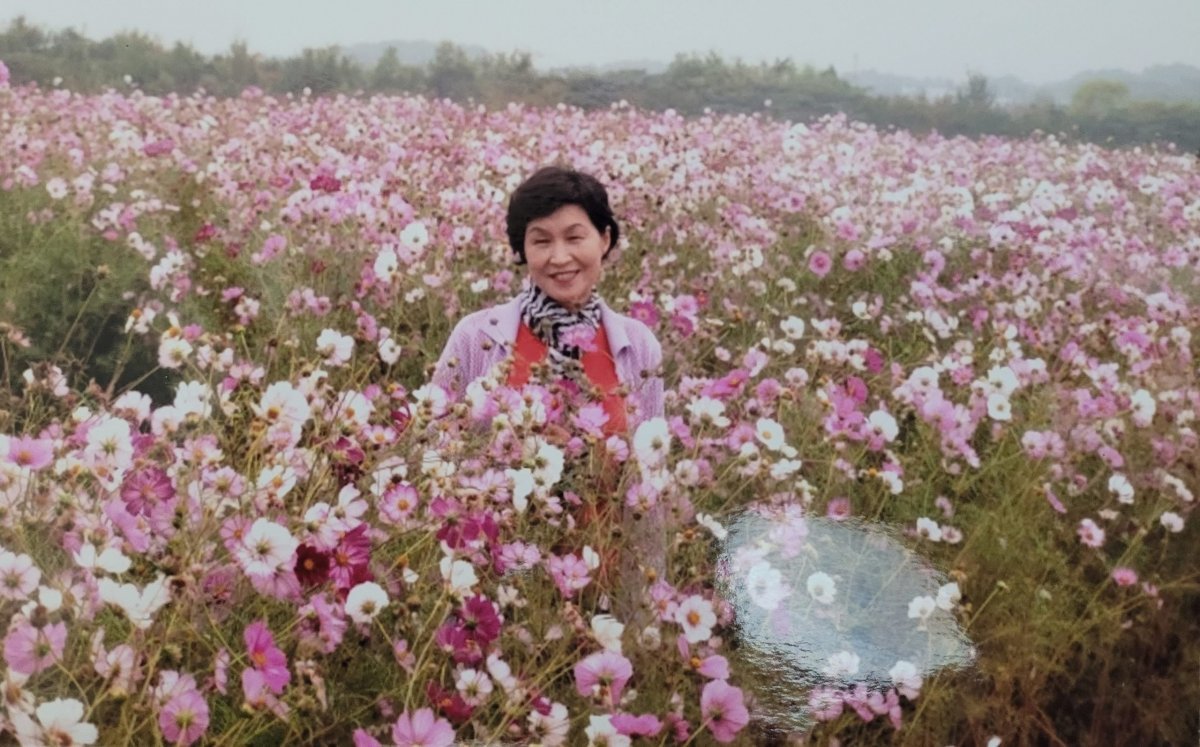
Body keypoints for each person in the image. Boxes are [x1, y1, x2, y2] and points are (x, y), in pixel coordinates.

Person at [431, 164, 666, 615]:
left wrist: (646, 604)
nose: (559, 257)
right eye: (541, 240)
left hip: (602, 584)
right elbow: (432, 444)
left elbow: (649, 483)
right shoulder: (477, 337)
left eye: (575, 237)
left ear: (606, 240)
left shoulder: (637, 348)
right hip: (493, 580)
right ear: (521, 249)